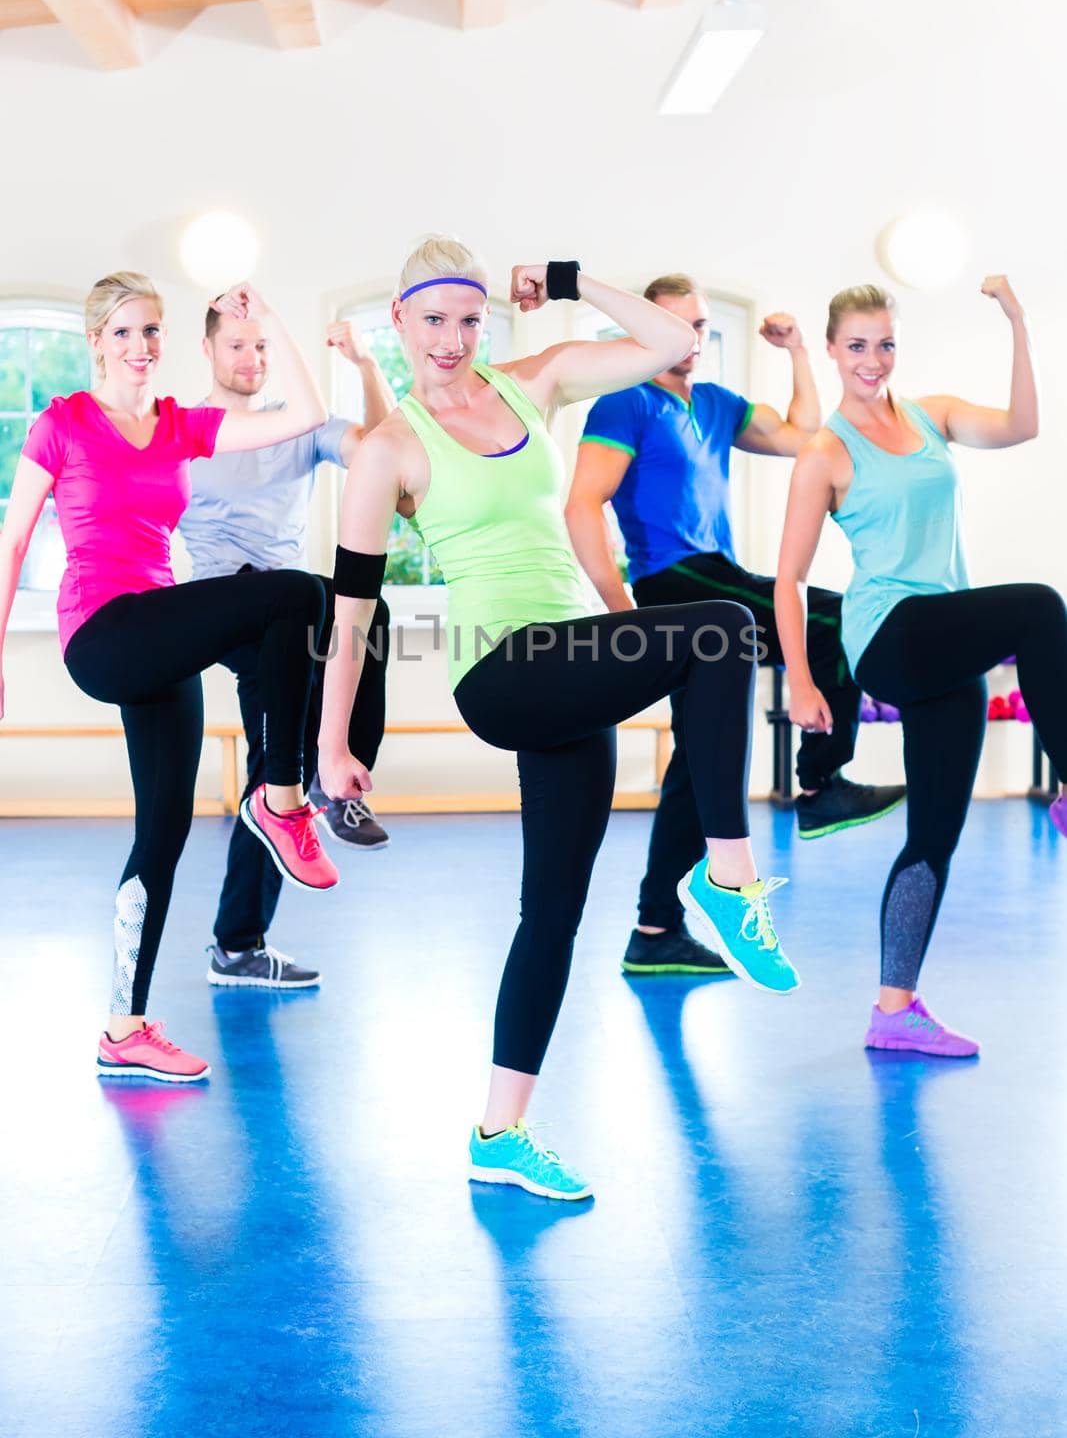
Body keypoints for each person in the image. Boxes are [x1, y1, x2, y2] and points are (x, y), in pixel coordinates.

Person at [316, 237, 801, 1201]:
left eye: (467, 319)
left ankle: (499, 1130)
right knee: (719, 629)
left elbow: (664, 340)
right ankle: (726, 875)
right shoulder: (391, 447)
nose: (452, 340)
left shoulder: (532, 383)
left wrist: (572, 283)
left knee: (554, 913)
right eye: (432, 322)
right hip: (499, 670)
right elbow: (352, 608)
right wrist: (331, 743)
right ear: (400, 325)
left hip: (571, 661)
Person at [0, 273, 339, 1083]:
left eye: (151, 331)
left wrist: (273, 319)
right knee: (296, 594)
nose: (140, 347)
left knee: (164, 833)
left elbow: (308, 416)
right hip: (104, 632)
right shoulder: (63, 424)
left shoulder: (180, 426)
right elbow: (11, 544)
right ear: (95, 343)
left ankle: (125, 1027)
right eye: (122, 333)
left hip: (161, 637)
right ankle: (282, 798)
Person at [565, 273, 905, 977]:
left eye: (697, 324)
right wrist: (621, 614)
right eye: (675, 323)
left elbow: (801, 435)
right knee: (833, 618)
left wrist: (797, 353)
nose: (689, 336)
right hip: (671, 583)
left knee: (700, 760)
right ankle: (820, 781)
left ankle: (654, 927)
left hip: (717, 573)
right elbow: (582, 505)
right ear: (641, 329)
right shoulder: (624, 402)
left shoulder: (716, 404)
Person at [775, 277, 1066, 1057]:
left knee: (934, 833)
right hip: (889, 634)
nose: (873, 360)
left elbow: (1020, 426)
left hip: (943, 636)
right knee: (1040, 606)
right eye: (858, 346)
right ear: (833, 350)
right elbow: (788, 580)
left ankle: (892, 1010)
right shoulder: (824, 452)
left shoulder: (929, 415)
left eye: (885, 344)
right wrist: (801, 679)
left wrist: (1015, 320)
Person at [180, 309, 396, 991]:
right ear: (208, 347)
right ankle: (240, 938)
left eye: (261, 345)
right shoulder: (183, 431)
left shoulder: (296, 426)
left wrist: (364, 365)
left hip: (291, 609)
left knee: (277, 776)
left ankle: (240, 941)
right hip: (227, 605)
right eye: (236, 344)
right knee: (280, 756)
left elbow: (380, 449)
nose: (250, 357)